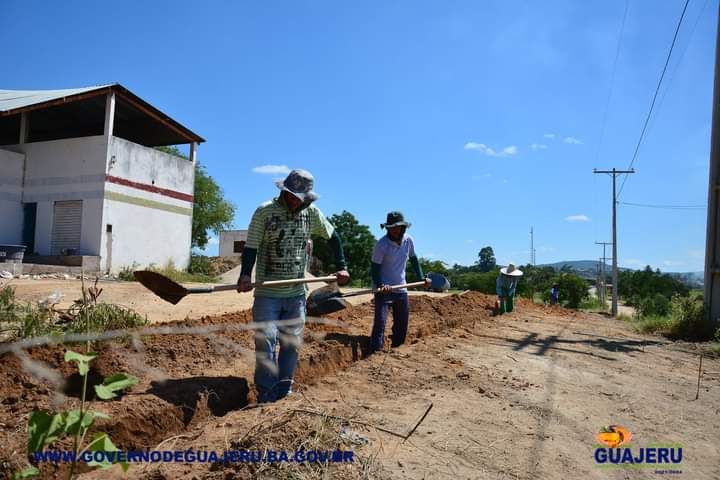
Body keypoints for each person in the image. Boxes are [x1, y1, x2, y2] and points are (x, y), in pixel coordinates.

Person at [237, 169, 350, 403]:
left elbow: (334, 237)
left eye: (301, 198)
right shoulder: (264, 211)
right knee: (266, 341)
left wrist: (342, 266)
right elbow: (251, 247)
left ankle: (284, 390)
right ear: (285, 192)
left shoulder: (312, 213)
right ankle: (266, 394)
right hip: (268, 293)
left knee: (291, 345)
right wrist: (245, 274)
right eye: (293, 196)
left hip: (297, 293)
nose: (296, 201)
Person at [369, 211, 430, 353]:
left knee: (402, 322)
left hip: (401, 287)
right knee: (380, 322)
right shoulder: (381, 245)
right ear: (387, 228)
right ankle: (375, 351)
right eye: (391, 228)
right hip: (384, 290)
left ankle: (397, 348)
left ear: (403, 228)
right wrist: (380, 285)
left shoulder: (408, 240)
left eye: (397, 227)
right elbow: (375, 268)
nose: (395, 230)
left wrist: (421, 278)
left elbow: (414, 259)